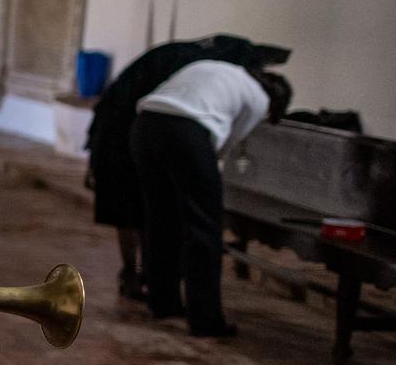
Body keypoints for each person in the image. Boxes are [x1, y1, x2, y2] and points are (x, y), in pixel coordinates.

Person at [87, 34, 290, 299]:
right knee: (185, 220)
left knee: (155, 213)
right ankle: (198, 310)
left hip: (137, 126)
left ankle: (155, 289)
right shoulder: (239, 81)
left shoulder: (196, 60)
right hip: (130, 131)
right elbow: (223, 144)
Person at [130, 61, 292, 337]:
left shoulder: (216, 67)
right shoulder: (258, 98)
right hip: (187, 132)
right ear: (274, 103)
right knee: (204, 228)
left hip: (145, 125)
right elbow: (226, 144)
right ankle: (205, 319)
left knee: (161, 218)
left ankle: (162, 302)